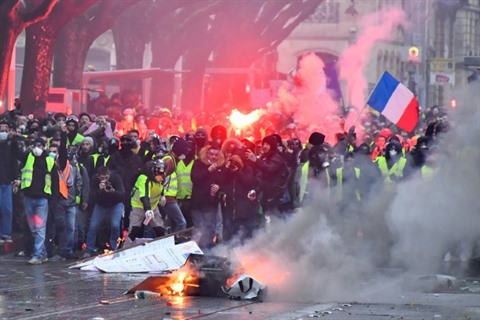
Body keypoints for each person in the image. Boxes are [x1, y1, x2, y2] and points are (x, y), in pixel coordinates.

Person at [13, 136, 59, 264]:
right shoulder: (28, 157)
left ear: (44, 147)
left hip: (42, 199)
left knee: (39, 228)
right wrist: (15, 139)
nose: (37, 148)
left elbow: (55, 180)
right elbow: (16, 153)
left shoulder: (50, 160)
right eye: (35, 145)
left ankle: (38, 255)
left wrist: (54, 198)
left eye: (40, 146)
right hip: (28, 197)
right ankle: (42, 253)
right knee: (33, 228)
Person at [83, 166, 125, 257]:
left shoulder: (116, 177)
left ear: (109, 174)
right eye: (102, 178)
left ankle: (113, 247)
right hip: (101, 205)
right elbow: (92, 197)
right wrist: (99, 190)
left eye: (106, 178)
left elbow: (122, 194)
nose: (104, 180)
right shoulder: (94, 180)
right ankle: (89, 249)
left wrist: (113, 191)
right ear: (98, 177)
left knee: (115, 225)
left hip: (115, 204)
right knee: (93, 226)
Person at [190, 145, 226, 248]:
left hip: (212, 204)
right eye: (211, 154)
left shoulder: (220, 166)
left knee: (210, 228)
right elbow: (194, 178)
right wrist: (208, 171)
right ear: (206, 154)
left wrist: (219, 187)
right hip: (198, 203)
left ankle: (209, 253)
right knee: (199, 227)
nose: (214, 157)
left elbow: (225, 182)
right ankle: (194, 251)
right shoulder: (198, 163)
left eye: (216, 154)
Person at [221, 154, 259, 243]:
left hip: (245, 212)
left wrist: (238, 171)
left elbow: (248, 182)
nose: (233, 165)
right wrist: (227, 169)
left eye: (236, 162)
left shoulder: (247, 169)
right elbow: (222, 181)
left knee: (246, 239)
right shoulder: (228, 173)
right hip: (231, 212)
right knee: (230, 239)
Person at [127, 160, 166, 244]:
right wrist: (147, 209)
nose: (161, 176)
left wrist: (162, 195)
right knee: (134, 231)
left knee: (160, 230)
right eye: (158, 173)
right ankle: (125, 250)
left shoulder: (161, 177)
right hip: (138, 205)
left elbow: (160, 187)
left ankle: (163, 248)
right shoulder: (144, 178)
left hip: (153, 207)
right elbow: (144, 195)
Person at [0, 120, 18, 243]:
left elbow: (14, 161)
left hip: (6, 181)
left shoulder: (10, 145)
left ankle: (5, 233)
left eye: (6, 130)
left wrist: (15, 178)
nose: (4, 132)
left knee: (7, 208)